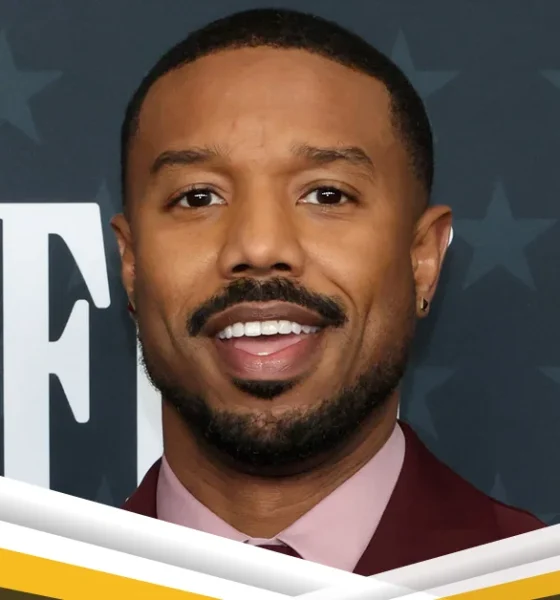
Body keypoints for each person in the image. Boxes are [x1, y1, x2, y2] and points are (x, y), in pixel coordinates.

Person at [112, 8, 544, 576]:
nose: (259, 246)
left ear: (422, 260)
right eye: (198, 198)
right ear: (131, 264)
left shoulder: (533, 581)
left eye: (327, 195)